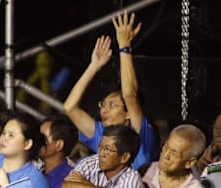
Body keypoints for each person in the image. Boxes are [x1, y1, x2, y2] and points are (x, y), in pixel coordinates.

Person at [62, 11, 159, 170]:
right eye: (103, 104)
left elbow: (129, 94)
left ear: (128, 114)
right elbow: (69, 107)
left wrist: (124, 47)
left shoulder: (139, 133)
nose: (104, 110)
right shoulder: (103, 134)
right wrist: (94, 66)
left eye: (112, 105)